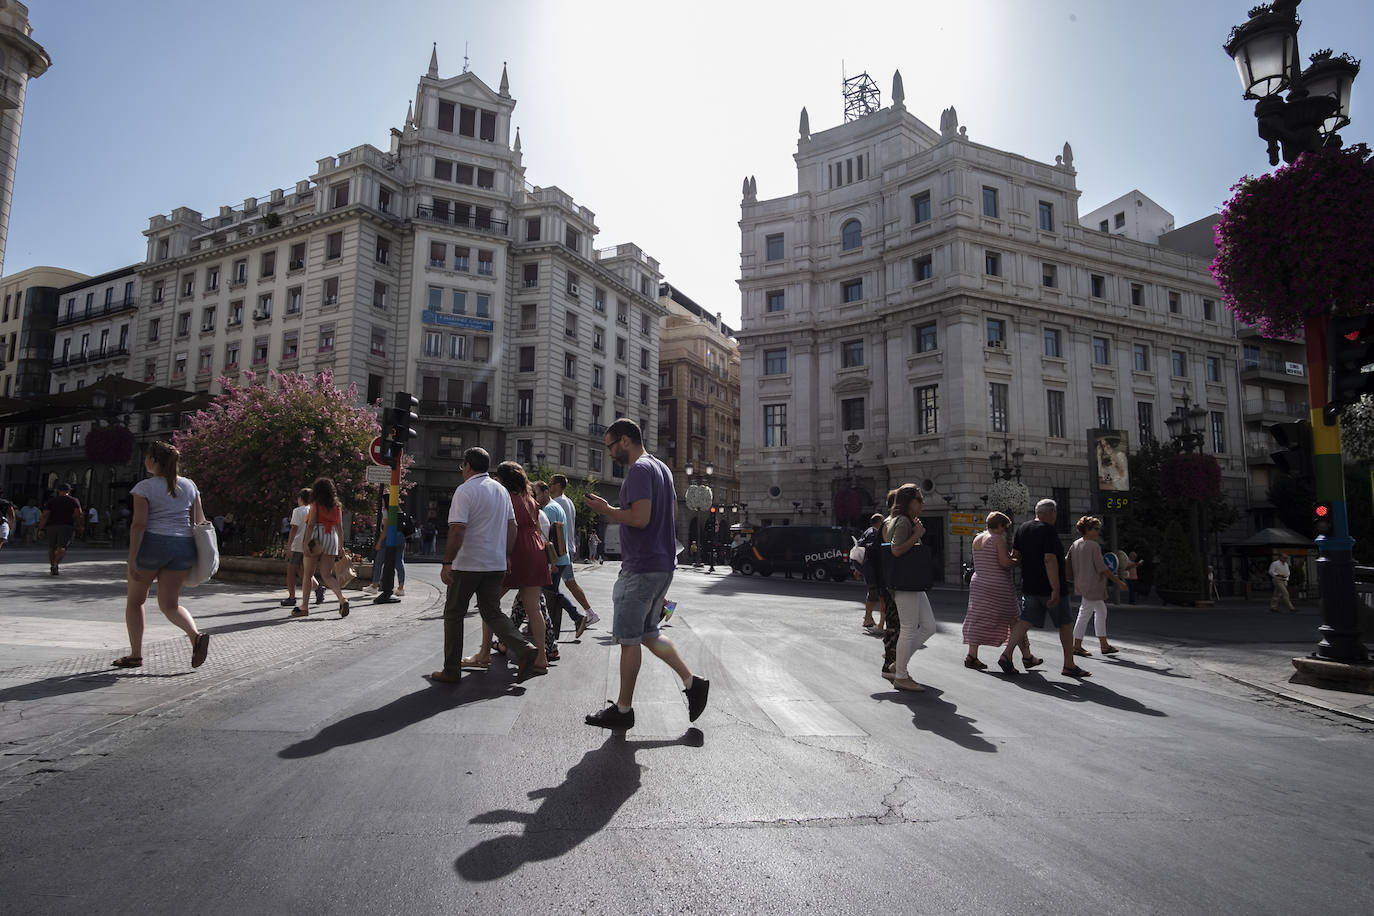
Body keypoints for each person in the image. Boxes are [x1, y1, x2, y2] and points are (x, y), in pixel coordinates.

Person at [584, 418, 708, 730]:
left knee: (629, 639)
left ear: (625, 440)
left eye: (611, 446)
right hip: (662, 563)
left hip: (641, 567)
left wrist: (606, 510)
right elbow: (659, 516)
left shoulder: (639, 470)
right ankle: (693, 683)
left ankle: (623, 711)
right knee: (649, 632)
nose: (610, 453)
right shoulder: (661, 469)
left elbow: (639, 519)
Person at [433, 447, 537, 684]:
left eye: (463, 467)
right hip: (495, 563)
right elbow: (513, 526)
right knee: (492, 611)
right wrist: (507, 555)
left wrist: (448, 561)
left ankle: (451, 670)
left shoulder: (465, 490)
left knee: (454, 613)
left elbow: (457, 529)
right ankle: (523, 647)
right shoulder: (501, 490)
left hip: (467, 564)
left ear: (468, 466)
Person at [112, 441, 210, 670]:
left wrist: (132, 557)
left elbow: (139, 525)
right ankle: (195, 636)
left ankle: (135, 655)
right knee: (170, 604)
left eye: (147, 457)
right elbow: (199, 521)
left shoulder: (144, 488)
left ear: (153, 460)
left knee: (135, 602)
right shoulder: (190, 486)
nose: (145, 460)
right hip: (183, 547)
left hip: (153, 544)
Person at [1002, 498, 1087, 678]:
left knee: (1024, 621)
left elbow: (1016, 556)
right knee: (1064, 624)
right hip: (1049, 587)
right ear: (1051, 513)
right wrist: (1055, 588)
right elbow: (1049, 559)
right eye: (1055, 513)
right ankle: (1069, 665)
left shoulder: (1022, 528)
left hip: (1029, 585)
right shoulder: (1048, 531)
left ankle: (1007, 654)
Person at [962, 511, 1042, 670]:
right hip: (998, 585)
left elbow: (989, 559)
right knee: (1015, 620)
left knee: (978, 618)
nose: (1005, 531)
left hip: (979, 583)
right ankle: (1026, 656)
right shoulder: (997, 539)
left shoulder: (978, 538)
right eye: (1004, 527)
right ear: (998, 525)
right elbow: (1004, 563)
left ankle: (972, 656)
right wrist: (1017, 560)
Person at [884, 484, 936, 692]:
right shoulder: (903, 521)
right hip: (905, 582)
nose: (922, 503)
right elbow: (895, 550)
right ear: (908, 502)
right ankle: (901, 676)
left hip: (911, 582)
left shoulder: (906, 521)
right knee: (908, 628)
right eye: (919, 499)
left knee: (929, 626)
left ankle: (899, 664)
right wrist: (918, 535)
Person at [541, 480, 600, 627]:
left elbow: (554, 530)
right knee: (567, 585)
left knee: (553, 589)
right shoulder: (568, 502)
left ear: (559, 485)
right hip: (566, 550)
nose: (549, 485)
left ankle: (667, 608)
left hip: (560, 551)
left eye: (552, 483)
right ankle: (587, 614)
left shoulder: (556, 504)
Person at [535, 481, 589, 640]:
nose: (536, 498)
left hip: (556, 559)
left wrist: (551, 563)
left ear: (546, 492)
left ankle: (578, 617)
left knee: (548, 594)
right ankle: (577, 618)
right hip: (562, 557)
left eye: (537, 494)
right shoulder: (556, 506)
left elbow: (548, 538)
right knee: (551, 592)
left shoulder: (549, 509)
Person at [1069, 516, 1127, 658]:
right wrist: (1118, 582)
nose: (1097, 532)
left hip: (1082, 583)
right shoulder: (1094, 546)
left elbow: (1068, 561)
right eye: (1095, 529)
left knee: (1100, 610)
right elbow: (1102, 568)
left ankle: (1103, 644)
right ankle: (1077, 645)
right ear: (1087, 530)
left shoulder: (1075, 544)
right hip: (1093, 584)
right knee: (1085, 613)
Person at [294, 477, 350, 618]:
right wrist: (341, 546)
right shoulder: (337, 506)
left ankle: (305, 607)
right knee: (327, 575)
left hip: (316, 537)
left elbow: (311, 524)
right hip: (331, 537)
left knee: (308, 574)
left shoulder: (315, 505)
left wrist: (306, 543)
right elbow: (340, 528)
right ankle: (342, 599)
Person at [282, 488, 326, 608]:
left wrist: (289, 545)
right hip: (310, 545)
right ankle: (318, 588)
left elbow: (294, 528)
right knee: (304, 571)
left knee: (291, 571)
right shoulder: (314, 510)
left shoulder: (298, 511)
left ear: (300, 498)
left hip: (298, 544)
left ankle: (292, 597)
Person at [38, 482, 84, 575]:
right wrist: (80, 526)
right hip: (66, 526)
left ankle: (52, 565)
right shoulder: (74, 501)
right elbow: (78, 514)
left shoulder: (51, 501)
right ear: (69, 491)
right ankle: (55, 564)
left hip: (51, 526)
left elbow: (45, 515)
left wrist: (41, 528)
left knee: (51, 547)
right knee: (62, 546)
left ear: (58, 491)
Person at [365, 509, 412, 595]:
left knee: (379, 561)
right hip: (401, 537)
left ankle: (375, 585)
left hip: (390, 536)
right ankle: (401, 588)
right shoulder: (399, 510)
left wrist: (379, 542)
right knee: (399, 562)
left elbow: (386, 529)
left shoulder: (387, 511)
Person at [856, 513, 887, 634]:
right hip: (876, 571)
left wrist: (858, 568)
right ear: (879, 522)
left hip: (869, 571)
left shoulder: (867, 532)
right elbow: (876, 553)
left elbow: (860, 551)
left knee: (872, 595)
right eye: (883, 521)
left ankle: (868, 618)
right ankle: (880, 624)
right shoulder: (875, 534)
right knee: (882, 597)